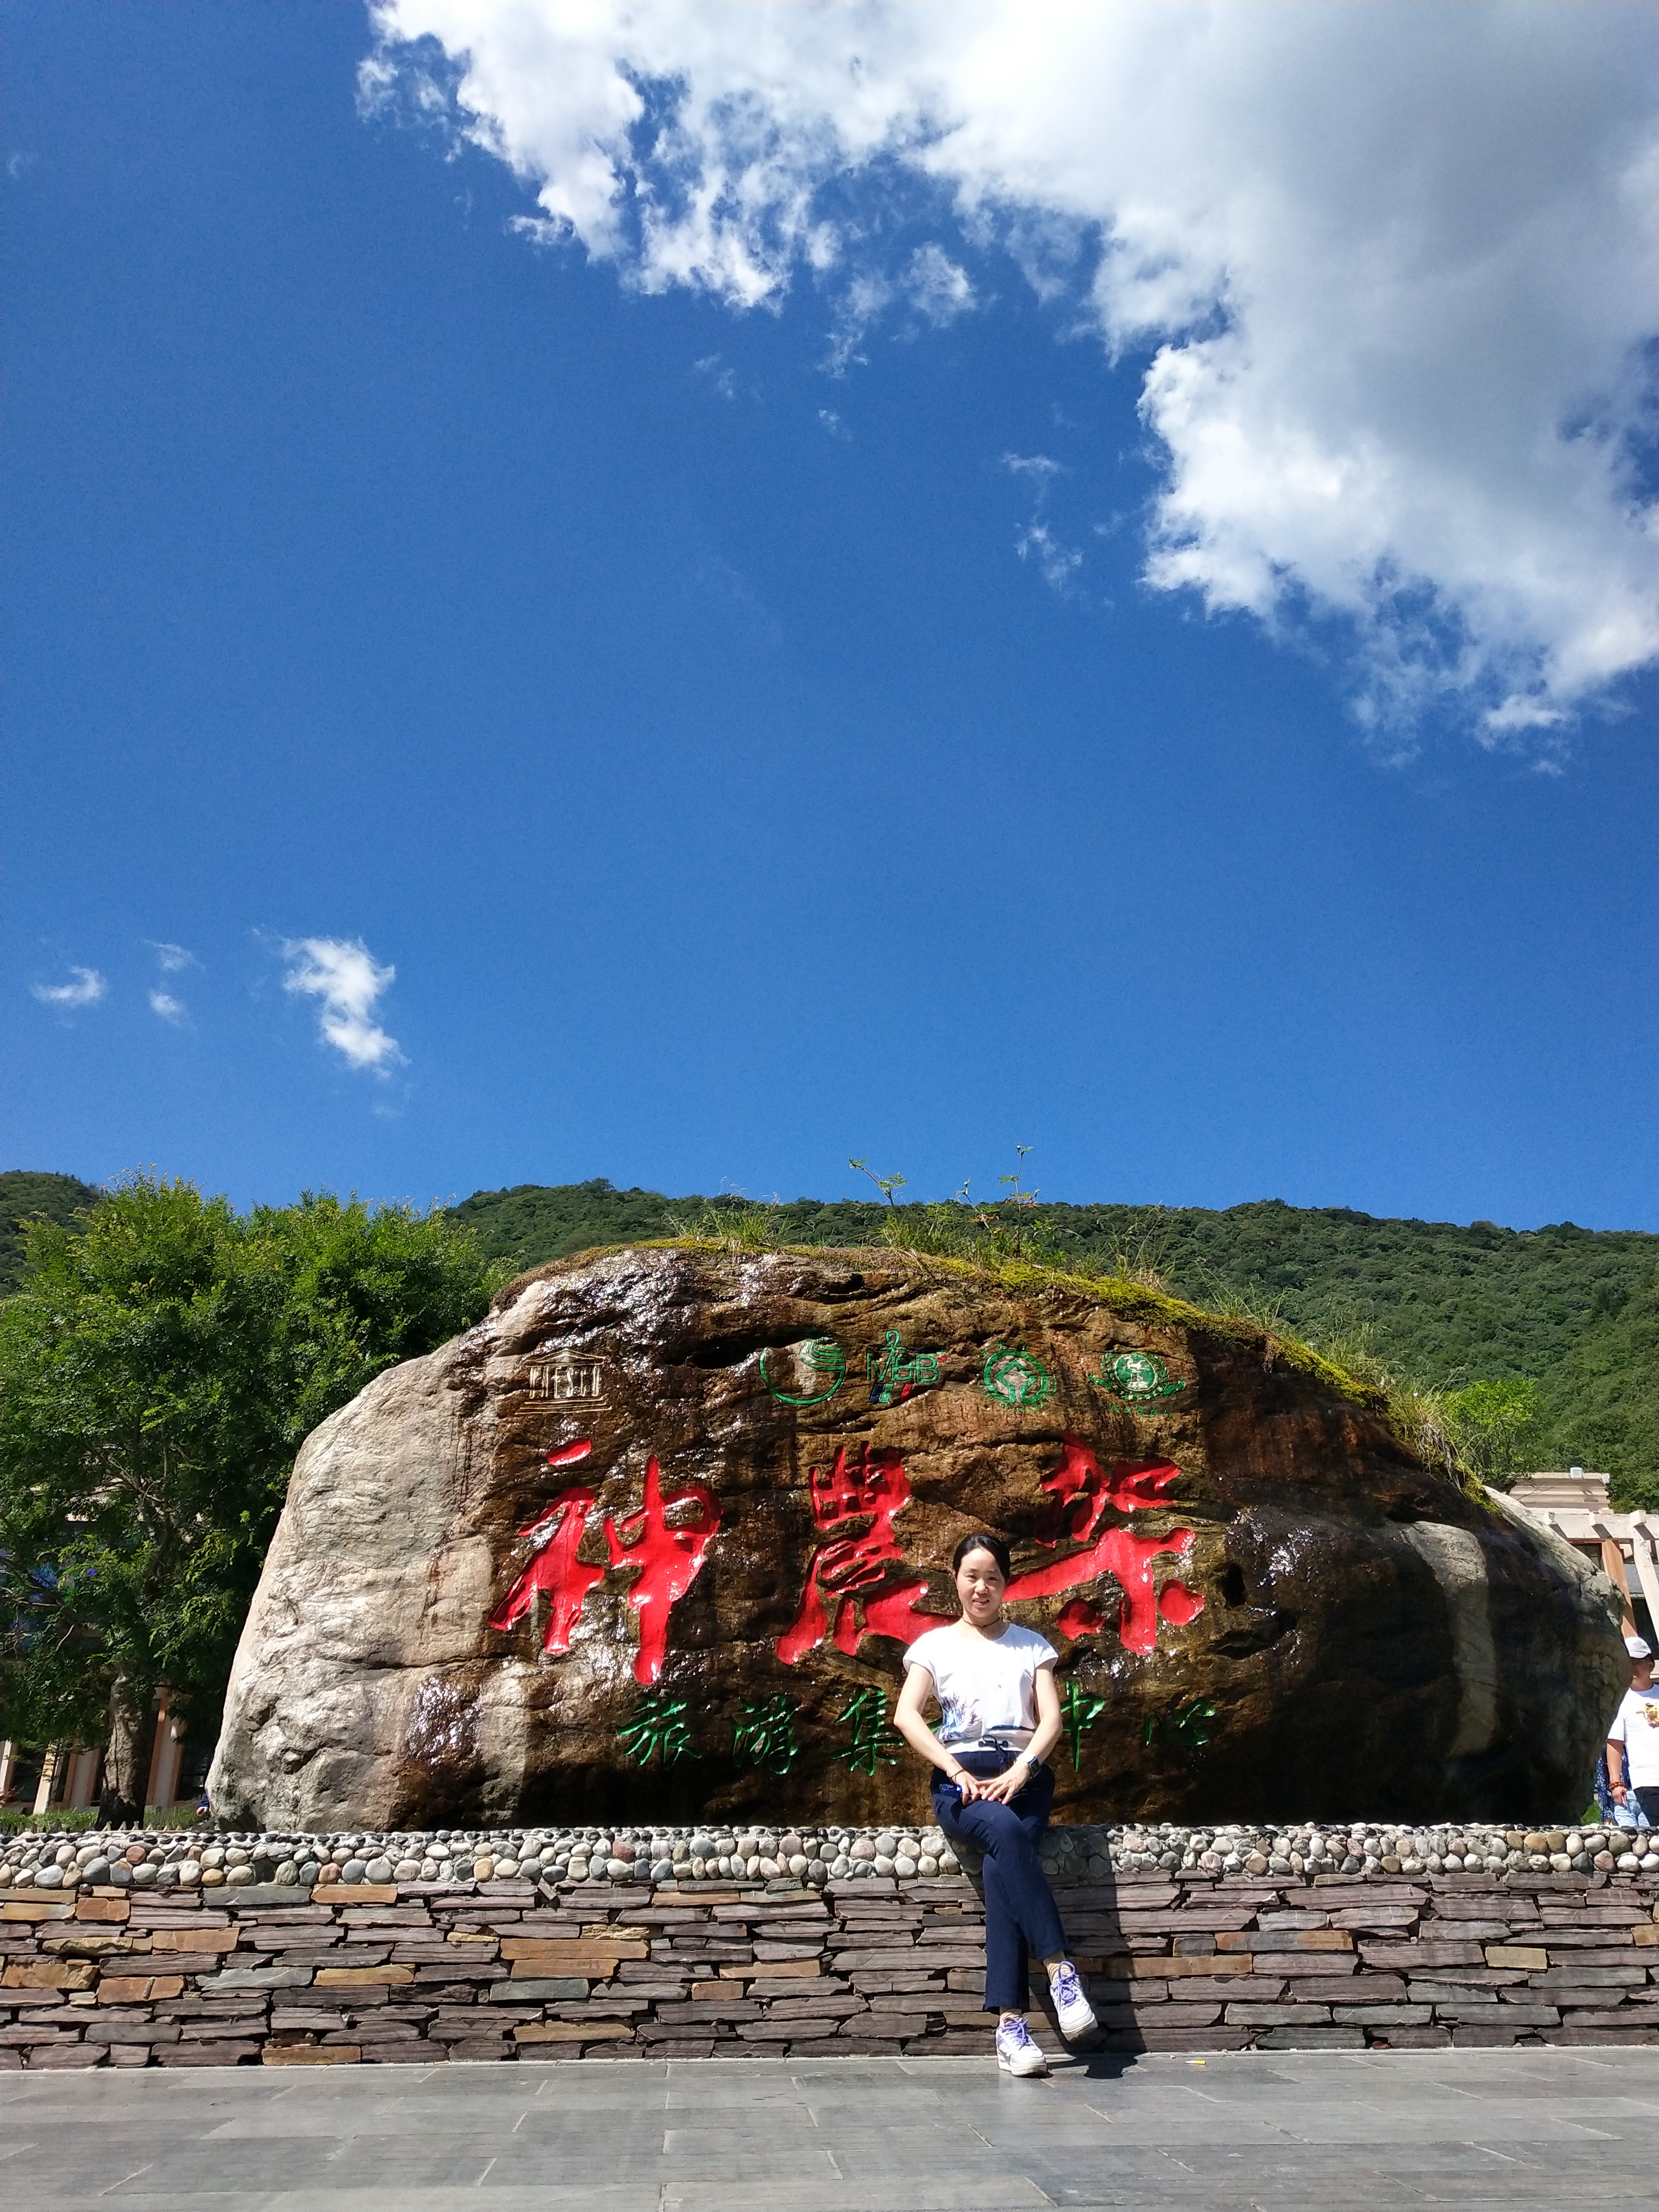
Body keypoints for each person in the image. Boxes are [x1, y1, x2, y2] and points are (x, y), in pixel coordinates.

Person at [894, 1531, 1098, 2077]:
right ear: (955, 1580)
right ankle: (1060, 1971)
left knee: (998, 1868)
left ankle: (1011, 2028)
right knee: (1005, 1837)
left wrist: (1023, 1768)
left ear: (1006, 1583)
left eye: (992, 1577)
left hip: (1023, 1780)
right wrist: (954, 1768)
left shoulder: (1032, 1646)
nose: (981, 1587)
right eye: (972, 1576)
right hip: (960, 1785)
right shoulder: (933, 1647)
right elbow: (906, 1715)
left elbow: (1051, 1721)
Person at [1606, 1636, 1659, 1831]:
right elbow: (1614, 1743)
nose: (1632, 1668)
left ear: (1650, 1665)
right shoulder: (1620, 1701)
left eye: (1636, 1662)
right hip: (1647, 1780)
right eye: (1627, 1663)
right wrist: (1616, 1783)